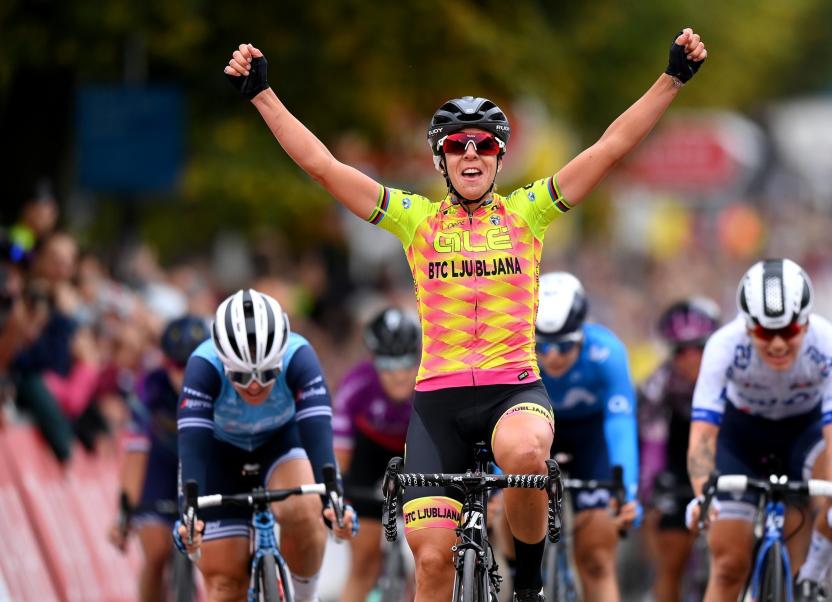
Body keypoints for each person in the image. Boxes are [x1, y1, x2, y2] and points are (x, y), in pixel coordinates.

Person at [224, 29, 707, 601]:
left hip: (514, 390)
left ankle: (527, 580)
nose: (471, 153)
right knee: (431, 559)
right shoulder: (415, 220)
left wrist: (671, 79)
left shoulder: (530, 211)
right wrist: (262, 95)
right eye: (457, 145)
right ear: (441, 158)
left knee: (527, 455)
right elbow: (325, 167)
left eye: (483, 144)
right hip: (438, 404)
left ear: (500, 157)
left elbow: (609, 148)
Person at [685, 259, 832, 602]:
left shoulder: (831, 345)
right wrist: (701, 495)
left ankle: (811, 577)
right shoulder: (723, 346)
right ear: (747, 326)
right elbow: (704, 434)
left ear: (806, 321)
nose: (779, 344)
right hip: (741, 441)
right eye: (767, 333)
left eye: (790, 331)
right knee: (728, 565)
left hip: (806, 435)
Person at [173, 289, 356, 602]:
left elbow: (318, 435)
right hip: (220, 453)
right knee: (224, 582)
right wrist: (190, 517)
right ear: (224, 362)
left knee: (304, 508)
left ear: (281, 359)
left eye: (267, 373)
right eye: (241, 376)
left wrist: (334, 500)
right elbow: (193, 446)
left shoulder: (300, 356)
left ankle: (304, 597)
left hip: (280, 443)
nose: (255, 385)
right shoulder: (203, 366)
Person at [533, 271, 640, 600]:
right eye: (543, 346)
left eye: (564, 346)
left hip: (592, 437)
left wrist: (627, 492)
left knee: (596, 559)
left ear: (582, 335)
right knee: (507, 514)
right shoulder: (515, 351)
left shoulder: (607, 353)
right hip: (539, 432)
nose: (552, 356)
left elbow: (620, 424)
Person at [109, 315, 208, 602]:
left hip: (204, 463)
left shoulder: (219, 384)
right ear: (165, 362)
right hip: (162, 466)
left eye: (190, 365)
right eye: (176, 366)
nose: (183, 374)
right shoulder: (149, 386)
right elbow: (136, 452)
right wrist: (125, 511)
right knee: (155, 553)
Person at [334, 307, 419, 602]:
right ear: (373, 360)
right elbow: (341, 451)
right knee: (364, 562)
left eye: (407, 363)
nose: (398, 374)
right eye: (388, 365)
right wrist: (341, 491)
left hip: (413, 453)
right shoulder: (357, 385)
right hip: (368, 457)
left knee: (428, 559)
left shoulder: (428, 385)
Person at [638, 297, 720, 602]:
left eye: (699, 348)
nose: (689, 358)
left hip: (724, 457)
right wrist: (651, 488)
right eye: (679, 351)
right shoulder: (659, 384)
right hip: (676, 463)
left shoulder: (732, 376)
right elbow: (652, 443)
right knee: (670, 557)